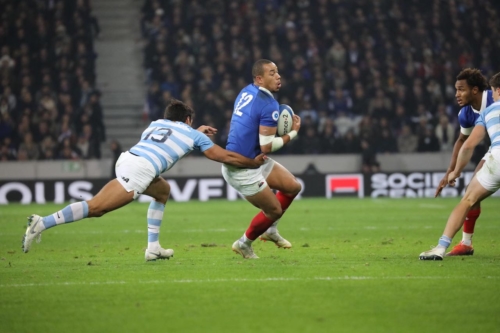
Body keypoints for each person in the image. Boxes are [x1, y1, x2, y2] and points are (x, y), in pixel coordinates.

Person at [22, 100, 267, 261]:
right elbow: (222, 155)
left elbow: (173, 138)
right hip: (140, 169)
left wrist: (195, 134)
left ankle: (153, 248)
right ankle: (41, 223)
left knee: (163, 191)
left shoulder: (155, 124)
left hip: (129, 158)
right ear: (189, 120)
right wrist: (252, 162)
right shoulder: (192, 134)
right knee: (97, 208)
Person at [222, 59, 302, 259]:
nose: (278, 76)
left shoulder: (247, 91)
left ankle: (270, 230)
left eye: (277, 72)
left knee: (293, 187)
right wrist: (292, 134)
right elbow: (267, 146)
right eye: (272, 73)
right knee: (274, 210)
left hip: (253, 158)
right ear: (259, 78)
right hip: (242, 168)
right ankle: (244, 243)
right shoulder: (269, 105)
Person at [420, 73, 500, 260]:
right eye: (456, 89)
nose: (456, 94)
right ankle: (466, 243)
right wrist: (451, 170)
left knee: (468, 197)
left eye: (461, 89)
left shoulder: (491, 100)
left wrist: (456, 171)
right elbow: (462, 139)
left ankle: (445, 245)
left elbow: (469, 144)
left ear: (475, 90)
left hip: (496, 153)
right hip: (493, 148)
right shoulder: (466, 113)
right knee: (470, 190)